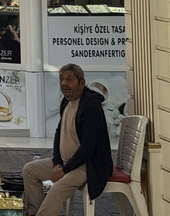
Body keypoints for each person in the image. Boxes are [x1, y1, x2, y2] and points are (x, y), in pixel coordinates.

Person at [21, 64, 113, 216]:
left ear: (81, 83)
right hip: (65, 162)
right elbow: (59, 133)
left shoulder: (91, 107)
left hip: (86, 165)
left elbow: (89, 147)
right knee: (29, 170)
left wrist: (64, 169)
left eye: (69, 80)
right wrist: (57, 163)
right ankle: (33, 213)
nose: (64, 83)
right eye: (61, 79)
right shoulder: (66, 101)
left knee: (56, 190)